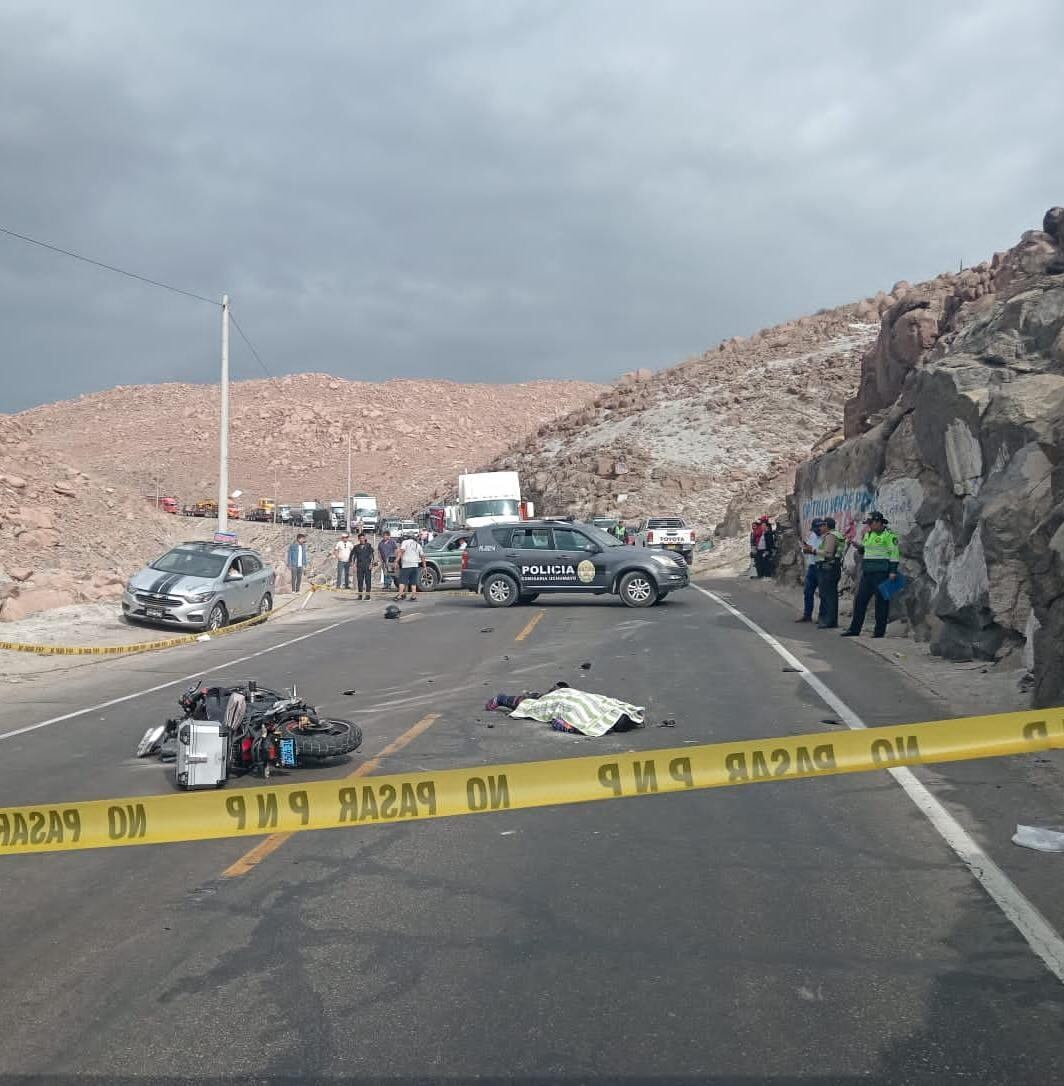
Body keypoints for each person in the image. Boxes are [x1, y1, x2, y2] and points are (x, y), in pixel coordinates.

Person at [842, 511, 900, 638]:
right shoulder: (869, 534)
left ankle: (879, 632)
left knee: (881, 603)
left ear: (878, 522)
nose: (869, 526)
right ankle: (854, 629)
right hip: (868, 573)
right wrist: (858, 547)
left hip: (882, 573)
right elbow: (867, 549)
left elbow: (894, 554)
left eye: (870, 523)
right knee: (860, 601)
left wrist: (893, 571)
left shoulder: (889, 536)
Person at [815, 517, 845, 628]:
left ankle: (829, 621)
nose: (820, 527)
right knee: (830, 595)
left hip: (829, 567)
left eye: (822, 525)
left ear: (827, 526)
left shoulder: (831, 536)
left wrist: (813, 551)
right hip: (832, 567)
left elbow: (828, 553)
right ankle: (830, 620)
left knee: (828, 595)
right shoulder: (835, 535)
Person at [796, 518, 825, 622]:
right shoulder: (813, 535)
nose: (816, 531)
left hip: (821, 566)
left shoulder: (827, 537)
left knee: (823, 593)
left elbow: (824, 552)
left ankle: (822, 617)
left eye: (817, 529)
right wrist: (805, 548)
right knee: (808, 592)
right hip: (812, 566)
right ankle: (807, 615)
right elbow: (807, 548)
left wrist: (812, 550)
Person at [394, 532, 426, 601]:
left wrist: (396, 561)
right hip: (415, 565)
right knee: (413, 582)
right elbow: (422, 556)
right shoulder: (418, 545)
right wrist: (424, 566)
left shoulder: (405, 542)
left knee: (402, 581)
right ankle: (413, 596)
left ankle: (400, 595)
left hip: (406, 564)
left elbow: (402, 551)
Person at [352, 533, 375, 600]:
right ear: (358, 539)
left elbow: (372, 556)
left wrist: (371, 564)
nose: (362, 539)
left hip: (367, 566)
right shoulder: (356, 547)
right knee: (360, 581)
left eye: (363, 538)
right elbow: (354, 556)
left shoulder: (368, 546)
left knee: (368, 581)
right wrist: (353, 565)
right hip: (359, 566)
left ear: (365, 538)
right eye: (360, 538)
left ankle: (367, 595)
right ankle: (360, 595)